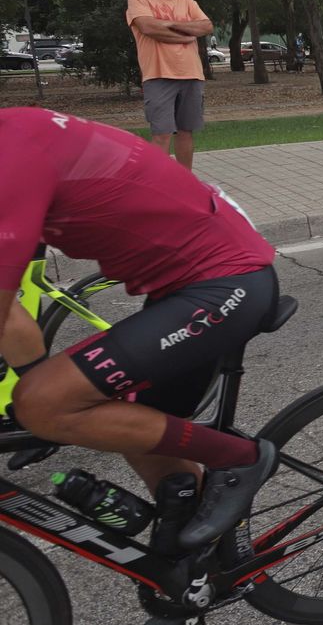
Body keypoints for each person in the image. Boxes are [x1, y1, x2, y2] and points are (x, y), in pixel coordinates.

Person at [0, 107, 280, 557]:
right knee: (108, 419)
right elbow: (10, 316)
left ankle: (240, 459)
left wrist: (40, 403)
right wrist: (38, 394)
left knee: (44, 401)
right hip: (183, 285)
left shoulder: (10, 156)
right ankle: (195, 573)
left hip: (225, 281)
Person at [127, 0, 213, 171]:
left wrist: (165, 26)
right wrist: (186, 33)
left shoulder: (186, 1)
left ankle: (184, 182)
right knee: (162, 134)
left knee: (186, 131)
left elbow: (206, 27)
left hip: (191, 74)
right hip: (158, 75)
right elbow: (147, 27)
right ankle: (159, 185)